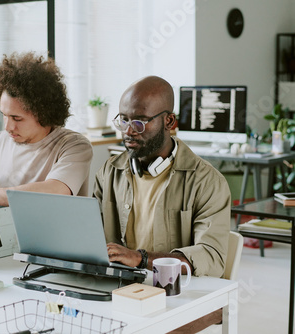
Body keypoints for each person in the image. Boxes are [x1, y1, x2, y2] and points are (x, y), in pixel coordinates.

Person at [93, 75, 231, 278]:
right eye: (124, 120)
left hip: (177, 291)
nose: (129, 131)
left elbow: (211, 257)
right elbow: (90, 237)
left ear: (169, 121)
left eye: (140, 121)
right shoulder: (109, 172)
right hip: (118, 286)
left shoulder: (207, 181)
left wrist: (141, 259)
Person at [0, 51, 93, 208]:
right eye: (4, 115)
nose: (8, 127)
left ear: (43, 113)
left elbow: (56, 191)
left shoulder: (75, 146)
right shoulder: (0, 141)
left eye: (17, 118)